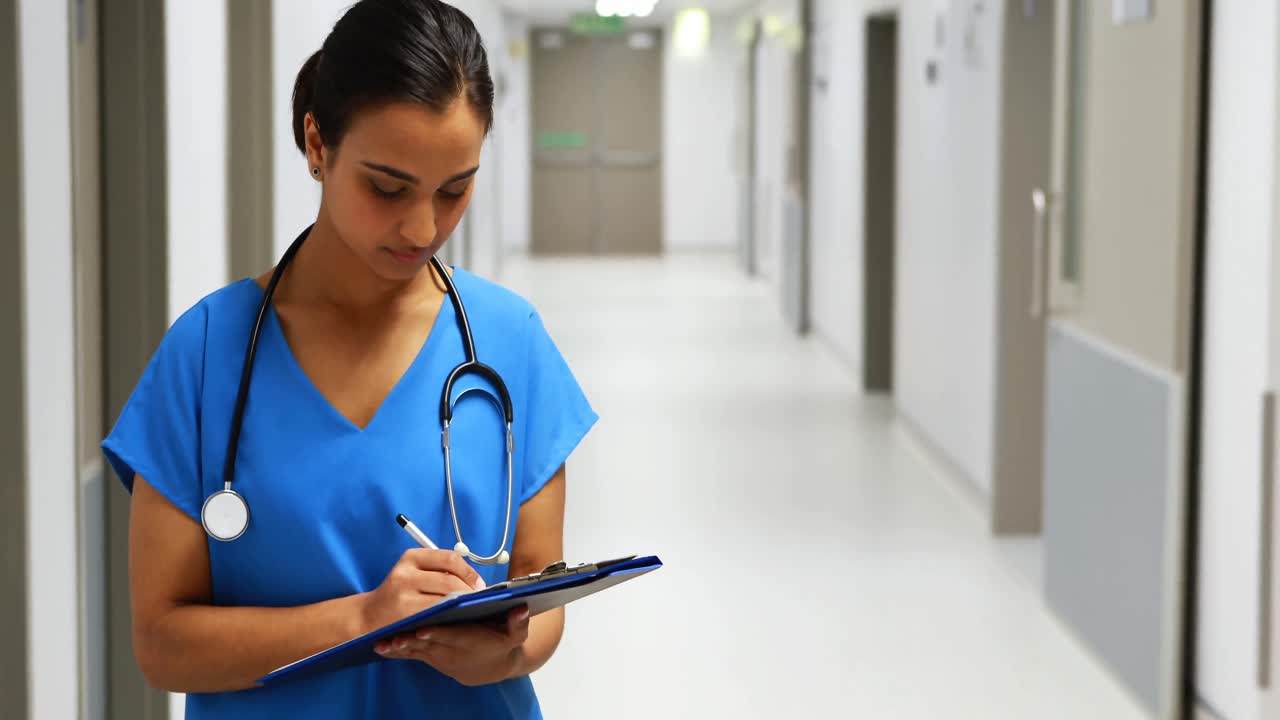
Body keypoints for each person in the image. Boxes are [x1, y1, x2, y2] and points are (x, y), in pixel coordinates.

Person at [100, 1, 597, 717]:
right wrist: (368, 619)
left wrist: (512, 648)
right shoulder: (207, 355)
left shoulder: (508, 339)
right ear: (317, 144)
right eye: (387, 187)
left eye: (455, 189)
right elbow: (162, 642)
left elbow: (540, 591)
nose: (424, 227)